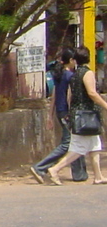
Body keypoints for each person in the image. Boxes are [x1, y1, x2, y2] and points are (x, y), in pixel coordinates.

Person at [44, 46, 107, 185]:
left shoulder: (75, 74)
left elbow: (69, 96)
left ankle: (98, 176)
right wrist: (105, 105)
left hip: (79, 114)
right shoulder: (87, 73)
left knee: (95, 145)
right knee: (78, 149)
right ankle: (55, 169)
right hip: (86, 115)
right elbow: (92, 93)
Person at [31, 49, 87, 183]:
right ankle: (40, 167)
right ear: (71, 61)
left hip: (60, 111)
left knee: (76, 141)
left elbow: (55, 96)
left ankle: (79, 174)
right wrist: (72, 112)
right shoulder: (69, 76)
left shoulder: (59, 75)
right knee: (68, 143)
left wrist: (50, 115)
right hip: (66, 112)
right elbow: (69, 96)